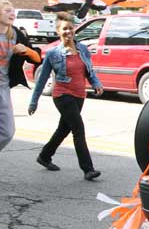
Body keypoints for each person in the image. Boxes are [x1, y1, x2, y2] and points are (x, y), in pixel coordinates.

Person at [28, 13, 104, 180]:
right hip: (62, 95)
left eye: (71, 28)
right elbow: (41, 80)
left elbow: (90, 72)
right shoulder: (53, 54)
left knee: (64, 129)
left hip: (79, 95)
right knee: (78, 129)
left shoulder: (83, 49)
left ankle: (45, 156)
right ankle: (88, 169)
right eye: (64, 29)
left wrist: (96, 83)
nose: (68, 31)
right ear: (58, 32)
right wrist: (34, 101)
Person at [0, 0, 41, 151]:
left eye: (13, 11)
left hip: (3, 89)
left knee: (7, 132)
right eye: (7, 11)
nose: (12, 14)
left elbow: (37, 58)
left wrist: (26, 50)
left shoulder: (16, 35)